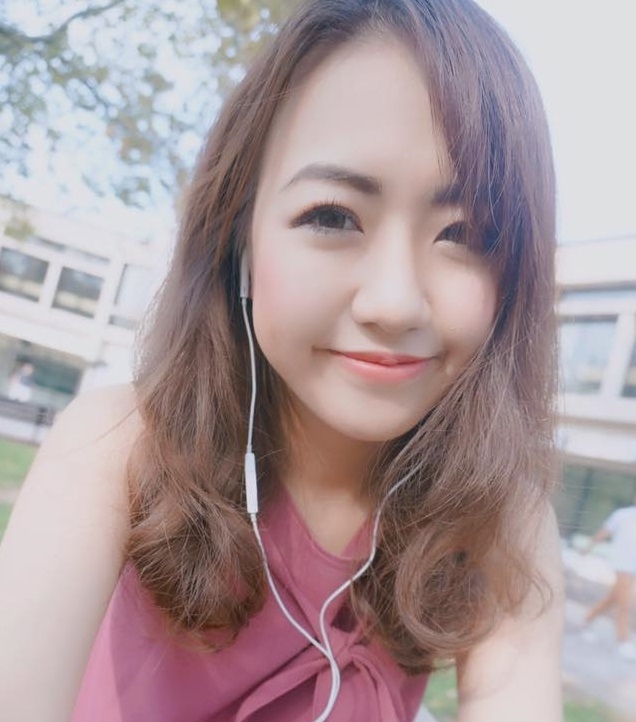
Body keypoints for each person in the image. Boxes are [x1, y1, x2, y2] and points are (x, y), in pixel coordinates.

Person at [0, 1, 564, 720]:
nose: (394, 303)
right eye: (332, 216)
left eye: (465, 234)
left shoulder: (500, 523)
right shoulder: (118, 448)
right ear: (240, 235)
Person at [582, 494, 636, 660]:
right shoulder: (622, 515)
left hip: (633, 568)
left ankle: (587, 620)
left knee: (613, 599)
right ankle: (623, 641)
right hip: (622, 565)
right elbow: (604, 532)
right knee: (625, 604)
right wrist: (588, 547)